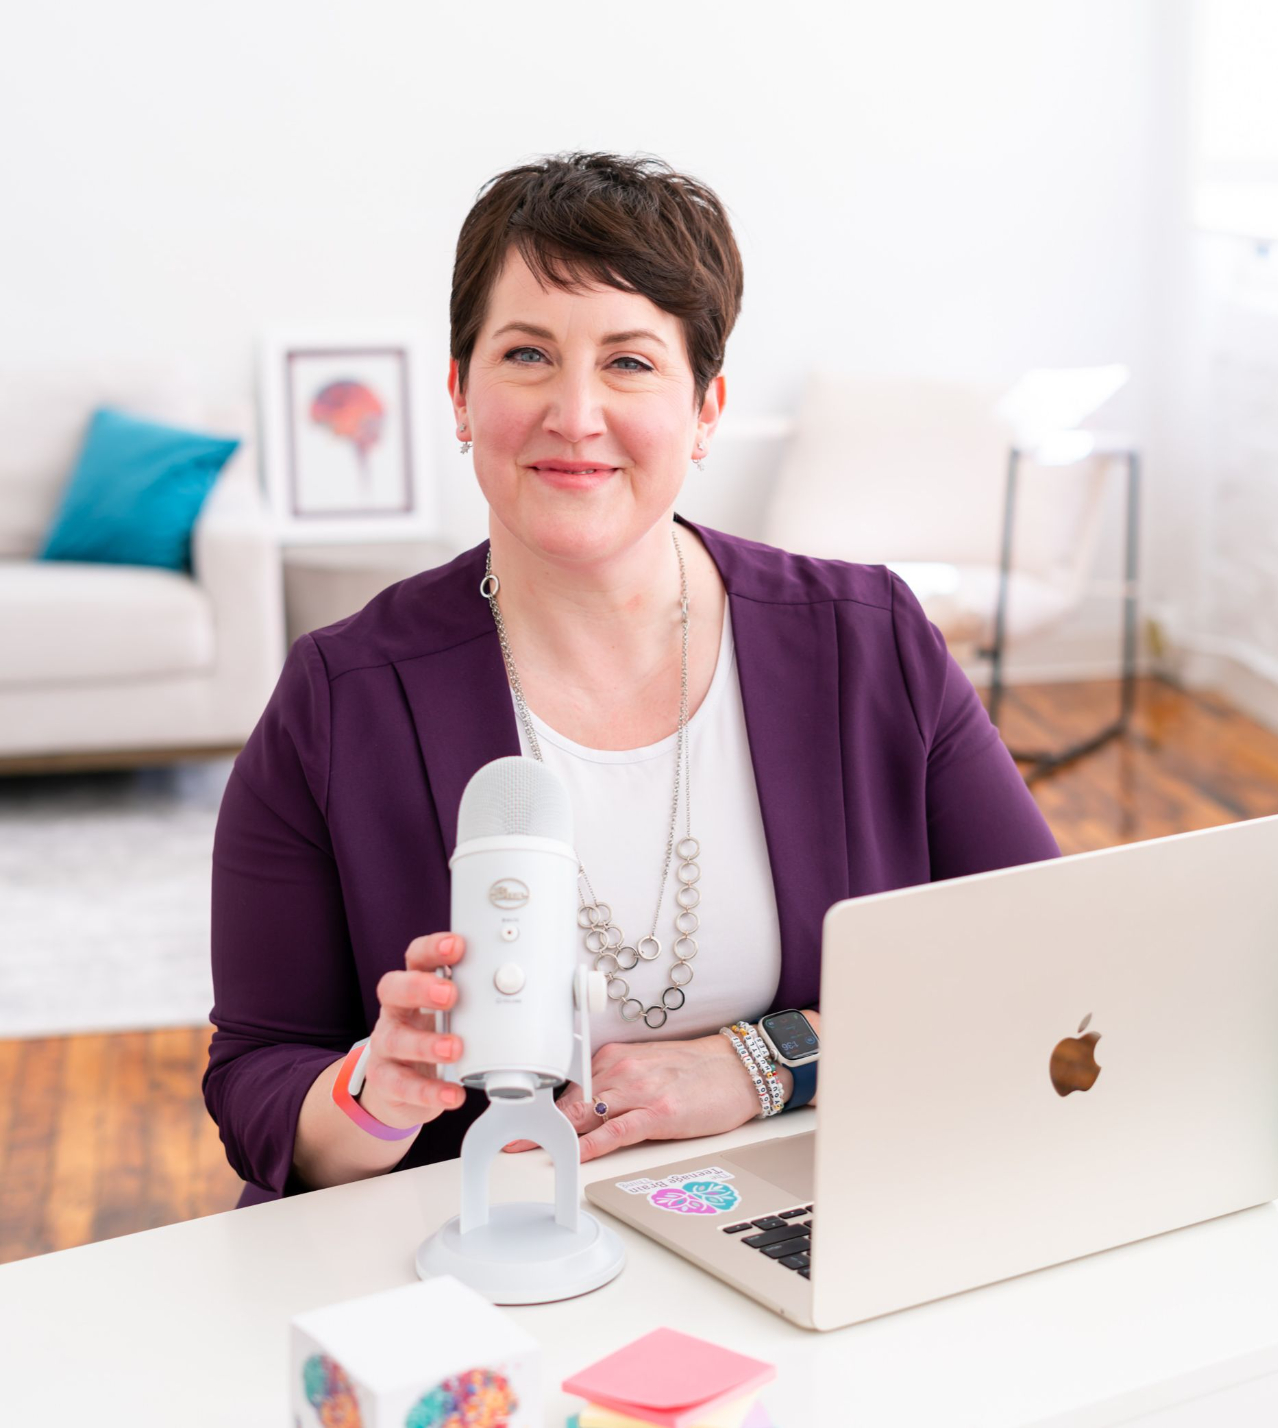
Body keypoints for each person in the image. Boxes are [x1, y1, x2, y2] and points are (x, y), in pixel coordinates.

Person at [203, 151, 1060, 1206]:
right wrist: (378, 1092)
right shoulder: (341, 696)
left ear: (706, 409)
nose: (575, 414)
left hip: (813, 1212)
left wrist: (768, 1062)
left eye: (630, 362)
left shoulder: (868, 641)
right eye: (527, 354)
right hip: (467, 1247)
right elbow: (257, 1077)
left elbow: (1036, 958)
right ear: (461, 393)